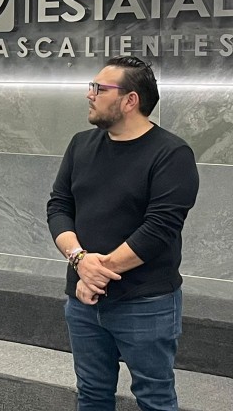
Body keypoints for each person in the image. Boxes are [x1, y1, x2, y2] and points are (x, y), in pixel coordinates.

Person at [46, 55, 199, 411]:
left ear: (130, 100)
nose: (90, 94)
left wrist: (95, 274)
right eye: (92, 86)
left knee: (155, 399)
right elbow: (59, 207)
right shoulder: (81, 145)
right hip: (83, 303)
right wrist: (80, 261)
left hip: (145, 303)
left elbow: (159, 229)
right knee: (91, 395)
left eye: (100, 88)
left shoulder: (171, 154)